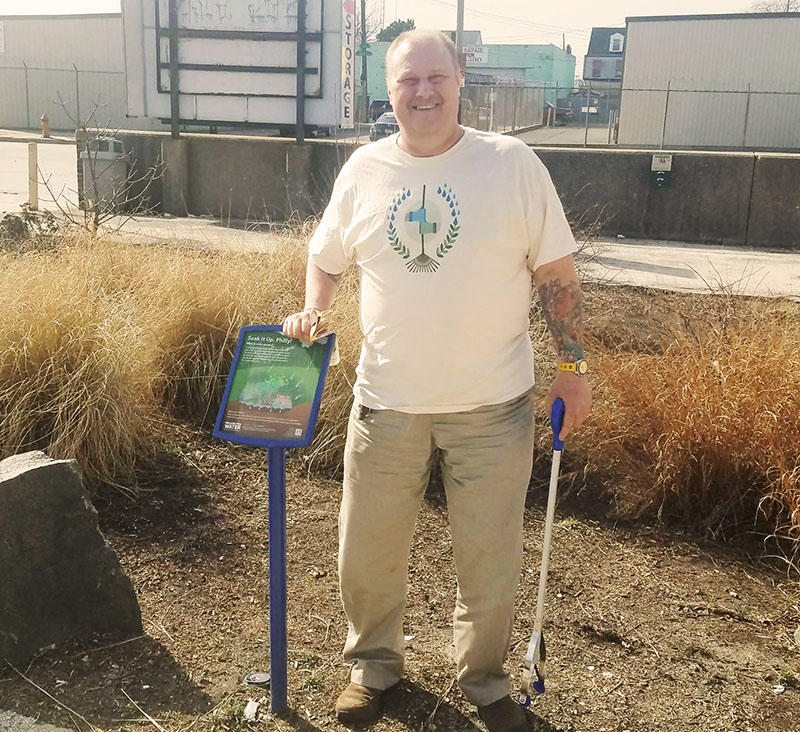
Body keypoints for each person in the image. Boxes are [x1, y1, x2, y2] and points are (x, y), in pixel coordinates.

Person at [283, 29, 592, 732]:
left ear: (460, 79)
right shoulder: (364, 170)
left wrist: (573, 368)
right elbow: (325, 256)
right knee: (365, 552)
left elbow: (558, 277)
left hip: (493, 408)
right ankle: (372, 666)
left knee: (489, 560)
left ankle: (484, 681)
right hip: (386, 403)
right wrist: (314, 307)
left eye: (435, 78)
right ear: (387, 90)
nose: (422, 93)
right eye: (406, 81)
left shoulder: (511, 164)